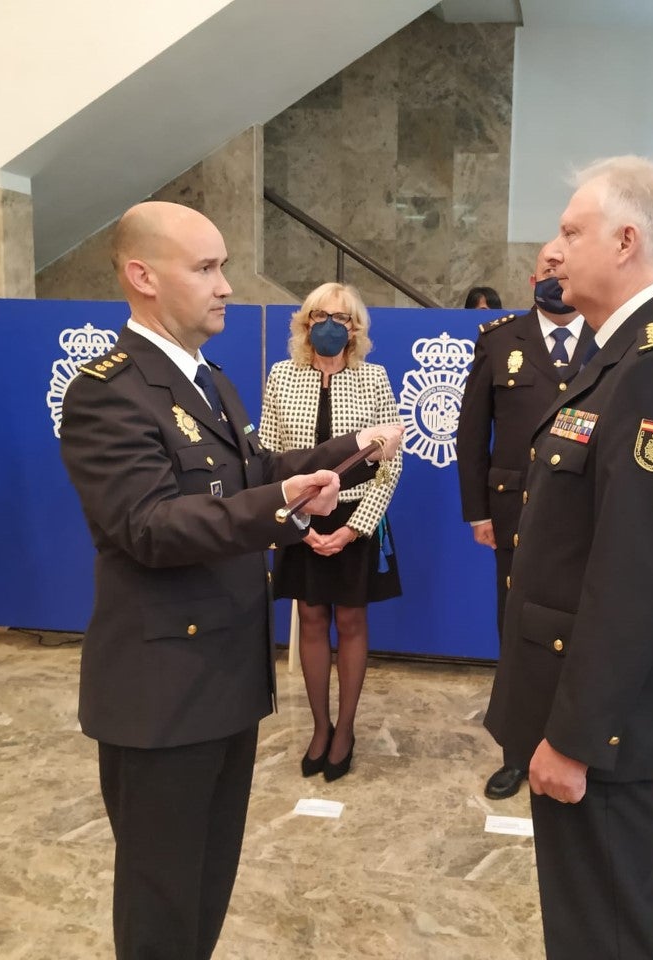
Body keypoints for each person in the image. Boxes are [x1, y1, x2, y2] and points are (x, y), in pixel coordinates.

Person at [58, 201, 402, 960]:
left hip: (224, 679)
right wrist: (279, 505)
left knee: (206, 886)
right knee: (163, 904)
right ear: (142, 276)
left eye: (223, 267)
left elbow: (253, 471)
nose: (226, 286)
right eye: (206, 268)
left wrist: (353, 447)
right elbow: (147, 527)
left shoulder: (209, 380)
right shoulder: (109, 390)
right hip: (163, 688)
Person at [485, 156, 653, 960]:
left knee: (604, 930)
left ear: (626, 241)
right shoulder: (616, 354)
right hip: (579, 703)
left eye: (570, 231)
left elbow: (637, 573)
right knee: (586, 919)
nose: (552, 251)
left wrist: (577, 735)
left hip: (601, 726)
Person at [457, 242, 591, 801]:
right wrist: (478, 513)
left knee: (580, 632)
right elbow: (471, 438)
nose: (556, 278)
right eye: (548, 269)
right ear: (532, 276)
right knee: (515, 630)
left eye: (566, 268)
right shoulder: (499, 340)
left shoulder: (612, 341)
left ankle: (571, 743)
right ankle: (516, 752)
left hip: (584, 513)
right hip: (513, 513)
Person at [259, 282, 403, 782]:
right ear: (304, 322)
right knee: (312, 620)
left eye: (340, 318)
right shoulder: (282, 376)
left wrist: (356, 528)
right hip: (300, 518)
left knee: (353, 622)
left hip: (355, 517)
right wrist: (298, 526)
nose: (329, 325)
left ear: (355, 328)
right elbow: (269, 460)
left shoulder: (375, 377)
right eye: (320, 315)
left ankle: (346, 730)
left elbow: (390, 464)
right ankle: (319, 728)